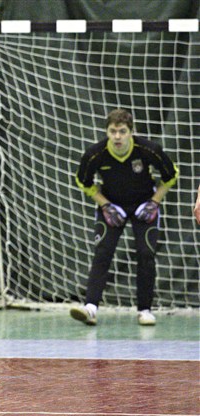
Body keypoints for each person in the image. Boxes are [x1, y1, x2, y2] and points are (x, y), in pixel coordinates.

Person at [70, 109, 178, 326]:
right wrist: (105, 205)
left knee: (146, 253)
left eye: (122, 131)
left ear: (131, 131)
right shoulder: (95, 154)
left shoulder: (149, 150)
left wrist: (154, 202)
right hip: (112, 206)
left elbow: (171, 175)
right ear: (106, 132)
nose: (117, 136)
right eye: (112, 131)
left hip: (143, 206)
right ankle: (90, 308)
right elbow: (83, 181)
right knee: (103, 252)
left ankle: (145, 310)